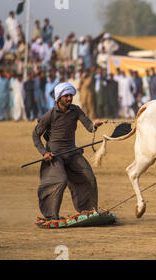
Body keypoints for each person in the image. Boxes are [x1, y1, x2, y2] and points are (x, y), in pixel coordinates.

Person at [32, 82, 103, 221]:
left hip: (73, 153)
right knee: (60, 181)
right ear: (59, 98)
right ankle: (51, 215)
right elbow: (35, 135)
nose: (70, 98)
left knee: (90, 177)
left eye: (71, 95)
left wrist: (95, 125)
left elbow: (89, 126)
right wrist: (44, 153)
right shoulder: (50, 115)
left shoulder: (76, 110)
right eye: (66, 96)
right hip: (54, 156)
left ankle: (90, 211)